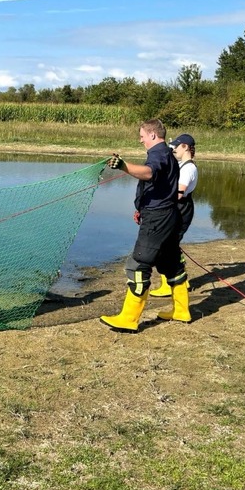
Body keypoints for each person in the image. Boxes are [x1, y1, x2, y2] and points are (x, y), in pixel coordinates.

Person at [100, 119, 190, 332]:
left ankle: (129, 319)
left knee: (138, 264)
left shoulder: (158, 154)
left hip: (158, 219)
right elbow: (158, 184)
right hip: (166, 216)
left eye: (142, 136)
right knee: (171, 263)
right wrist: (142, 207)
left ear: (152, 135)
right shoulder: (166, 153)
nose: (140, 140)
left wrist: (123, 166)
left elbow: (149, 173)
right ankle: (181, 311)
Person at [149, 133, 198, 297]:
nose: (173, 150)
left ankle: (176, 282)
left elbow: (178, 193)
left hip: (181, 209)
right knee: (169, 246)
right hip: (176, 208)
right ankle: (174, 282)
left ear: (185, 147)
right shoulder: (181, 164)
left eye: (176, 147)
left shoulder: (189, 168)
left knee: (168, 246)